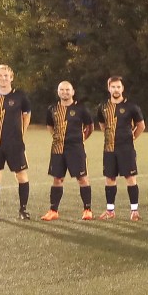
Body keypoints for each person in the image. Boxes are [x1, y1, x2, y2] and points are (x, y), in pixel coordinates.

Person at [0, 64, 32, 221]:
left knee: (21, 175)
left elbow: (27, 115)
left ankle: (23, 210)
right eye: (0, 75)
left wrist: (22, 133)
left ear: (11, 77)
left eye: (6, 75)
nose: (3, 78)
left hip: (15, 143)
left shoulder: (20, 96)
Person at [40, 80, 93, 221]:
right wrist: (58, 138)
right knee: (57, 179)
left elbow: (89, 127)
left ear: (73, 92)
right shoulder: (52, 109)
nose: (65, 92)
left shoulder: (81, 108)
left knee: (82, 178)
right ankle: (53, 210)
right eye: (62, 90)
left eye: (67, 90)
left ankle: (87, 209)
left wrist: (80, 139)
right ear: (58, 92)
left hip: (75, 149)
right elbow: (50, 126)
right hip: (58, 148)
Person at [95, 76, 145, 221]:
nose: (116, 89)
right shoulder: (103, 107)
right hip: (109, 149)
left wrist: (132, 137)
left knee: (130, 178)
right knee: (110, 179)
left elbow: (141, 125)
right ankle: (110, 211)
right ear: (109, 88)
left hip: (126, 149)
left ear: (122, 88)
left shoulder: (131, 106)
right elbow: (102, 124)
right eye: (113, 87)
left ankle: (134, 211)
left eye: (118, 87)